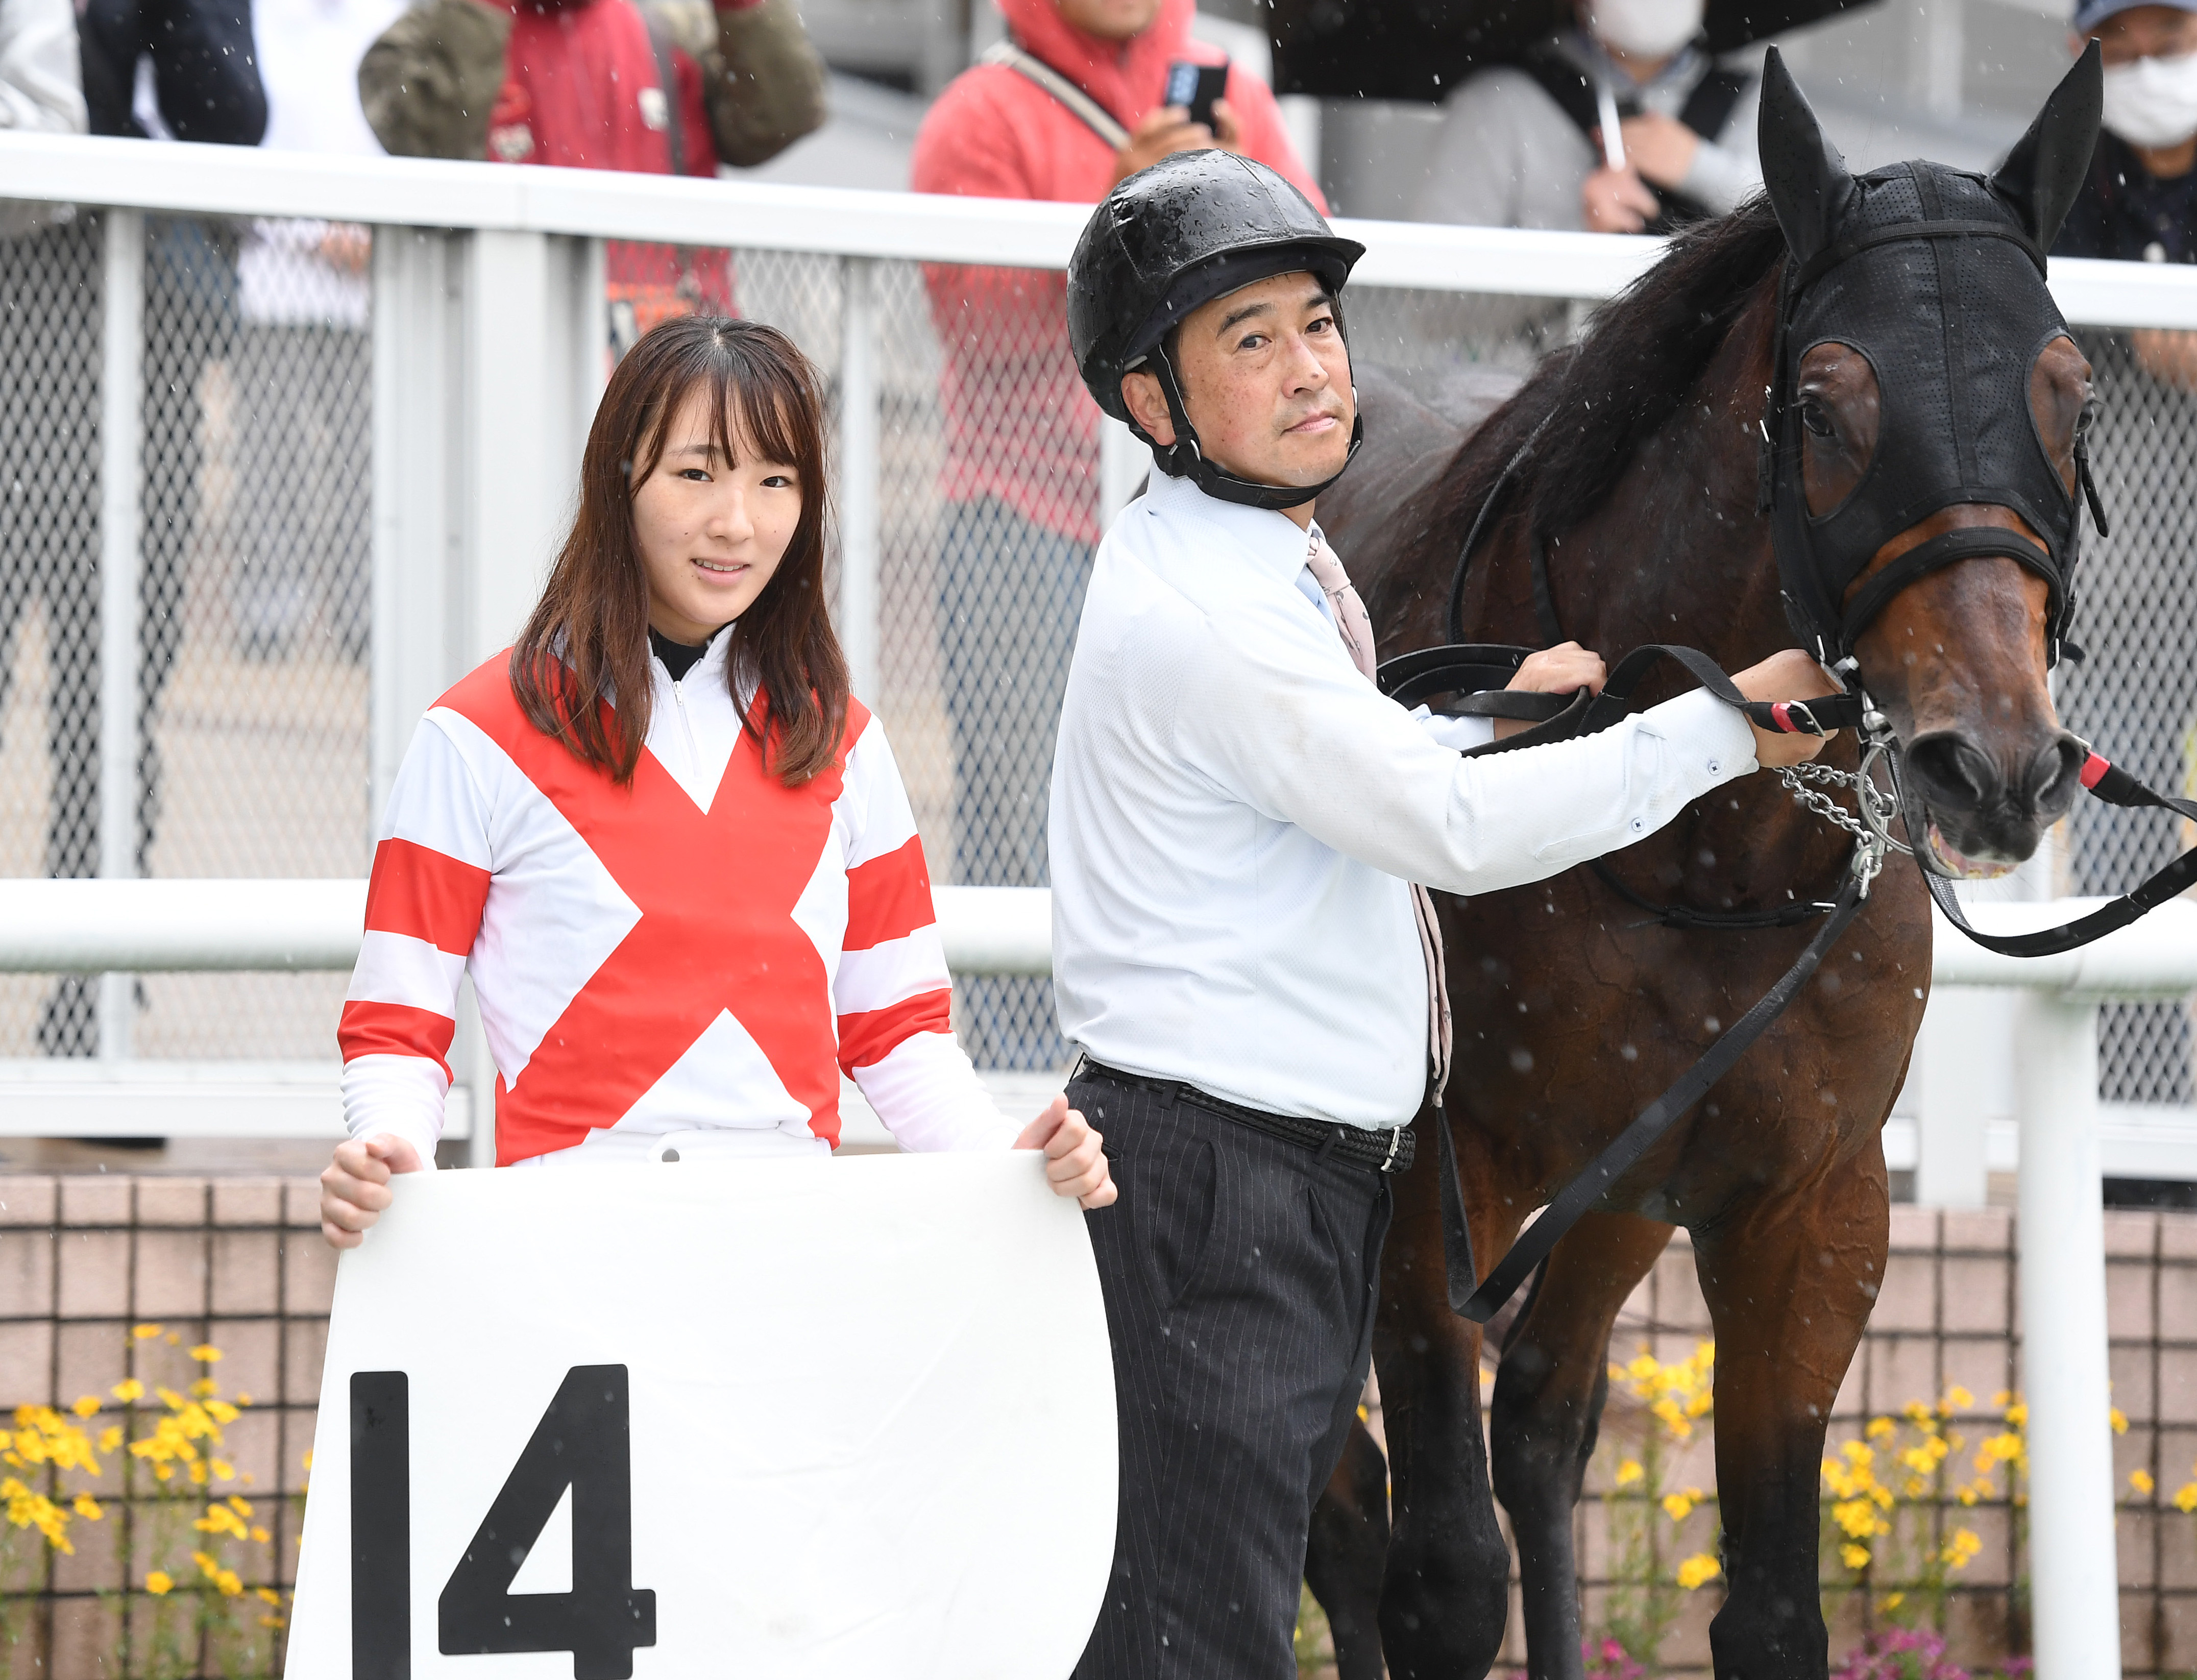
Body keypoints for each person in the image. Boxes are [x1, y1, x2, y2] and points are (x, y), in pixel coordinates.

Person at [1053, 149, 1838, 1678]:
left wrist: (1480, 709)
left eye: (1317, 325)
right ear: (1153, 404)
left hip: (1256, 1179)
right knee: (1194, 1637)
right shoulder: (1218, 614)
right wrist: (1719, 732)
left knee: (1192, 1615)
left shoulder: (1243, 559)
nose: (1311, 371)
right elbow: (1445, 832)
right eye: (1250, 342)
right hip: (1222, 1189)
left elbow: (1358, 770)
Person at [318, 319, 1114, 1244]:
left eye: (775, 481)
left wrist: (1009, 1159)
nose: (738, 522)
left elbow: (898, 1034)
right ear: (619, 481)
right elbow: (397, 1027)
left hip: (785, 1250)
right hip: (564, 1245)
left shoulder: (844, 741)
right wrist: (387, 1158)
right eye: (697, 473)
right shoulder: (475, 734)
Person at [907, 0, 1317, 1072]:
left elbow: (1306, 265)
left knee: (1217, 815)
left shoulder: (1228, 86)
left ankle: (1179, 1075)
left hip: (1205, 519)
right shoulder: (978, 112)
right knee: (1019, 821)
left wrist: (1229, 205)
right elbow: (968, 315)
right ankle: (1016, 1084)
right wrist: (1118, 220)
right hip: (1020, 517)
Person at [12, 0, 263, 1053]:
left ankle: (94, 1005)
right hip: (32, 330)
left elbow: (233, 117)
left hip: (130, 354)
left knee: (112, 701)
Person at [357, 0, 825, 343]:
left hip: (668, 366)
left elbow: (782, 117)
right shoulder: (437, 37)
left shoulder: (672, 27)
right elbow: (430, 141)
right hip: (504, 359)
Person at [1413, 0, 1761, 234]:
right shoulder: (1494, 106)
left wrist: (1699, 168)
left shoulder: (1762, 104)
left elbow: (1804, 253)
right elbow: (1430, 310)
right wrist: (1580, 243)